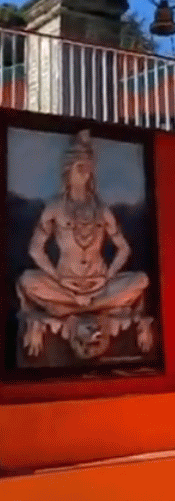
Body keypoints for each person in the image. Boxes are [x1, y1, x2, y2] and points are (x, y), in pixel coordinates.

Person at [16, 129, 152, 359]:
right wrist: (58, 279)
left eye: (88, 168)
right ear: (68, 171)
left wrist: (108, 276)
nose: (85, 173)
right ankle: (89, 310)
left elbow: (124, 248)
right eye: (80, 167)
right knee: (28, 280)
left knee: (141, 280)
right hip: (64, 286)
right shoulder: (55, 207)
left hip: (100, 288)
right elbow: (35, 249)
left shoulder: (101, 209)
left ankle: (71, 312)